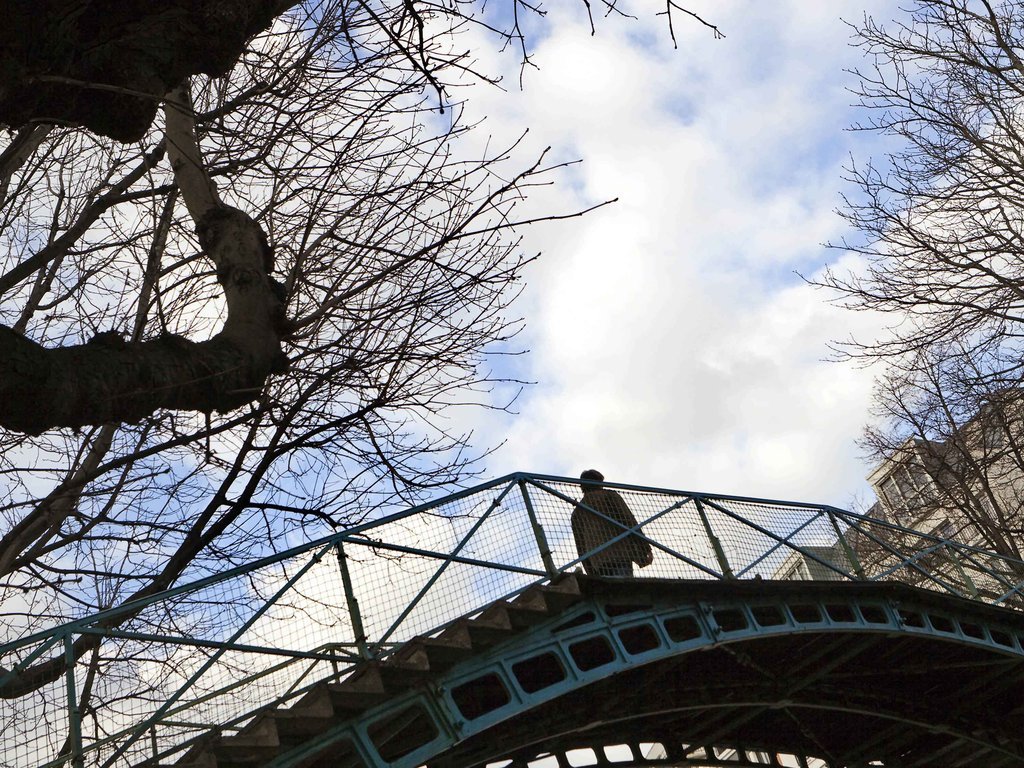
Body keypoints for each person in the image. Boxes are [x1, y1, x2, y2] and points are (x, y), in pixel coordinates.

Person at [571, 469, 653, 577]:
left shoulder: (577, 512)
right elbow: (629, 522)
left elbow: (580, 546)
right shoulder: (610, 496)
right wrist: (644, 548)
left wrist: (590, 570)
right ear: (598, 483)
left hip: (597, 562)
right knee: (624, 590)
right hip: (620, 555)